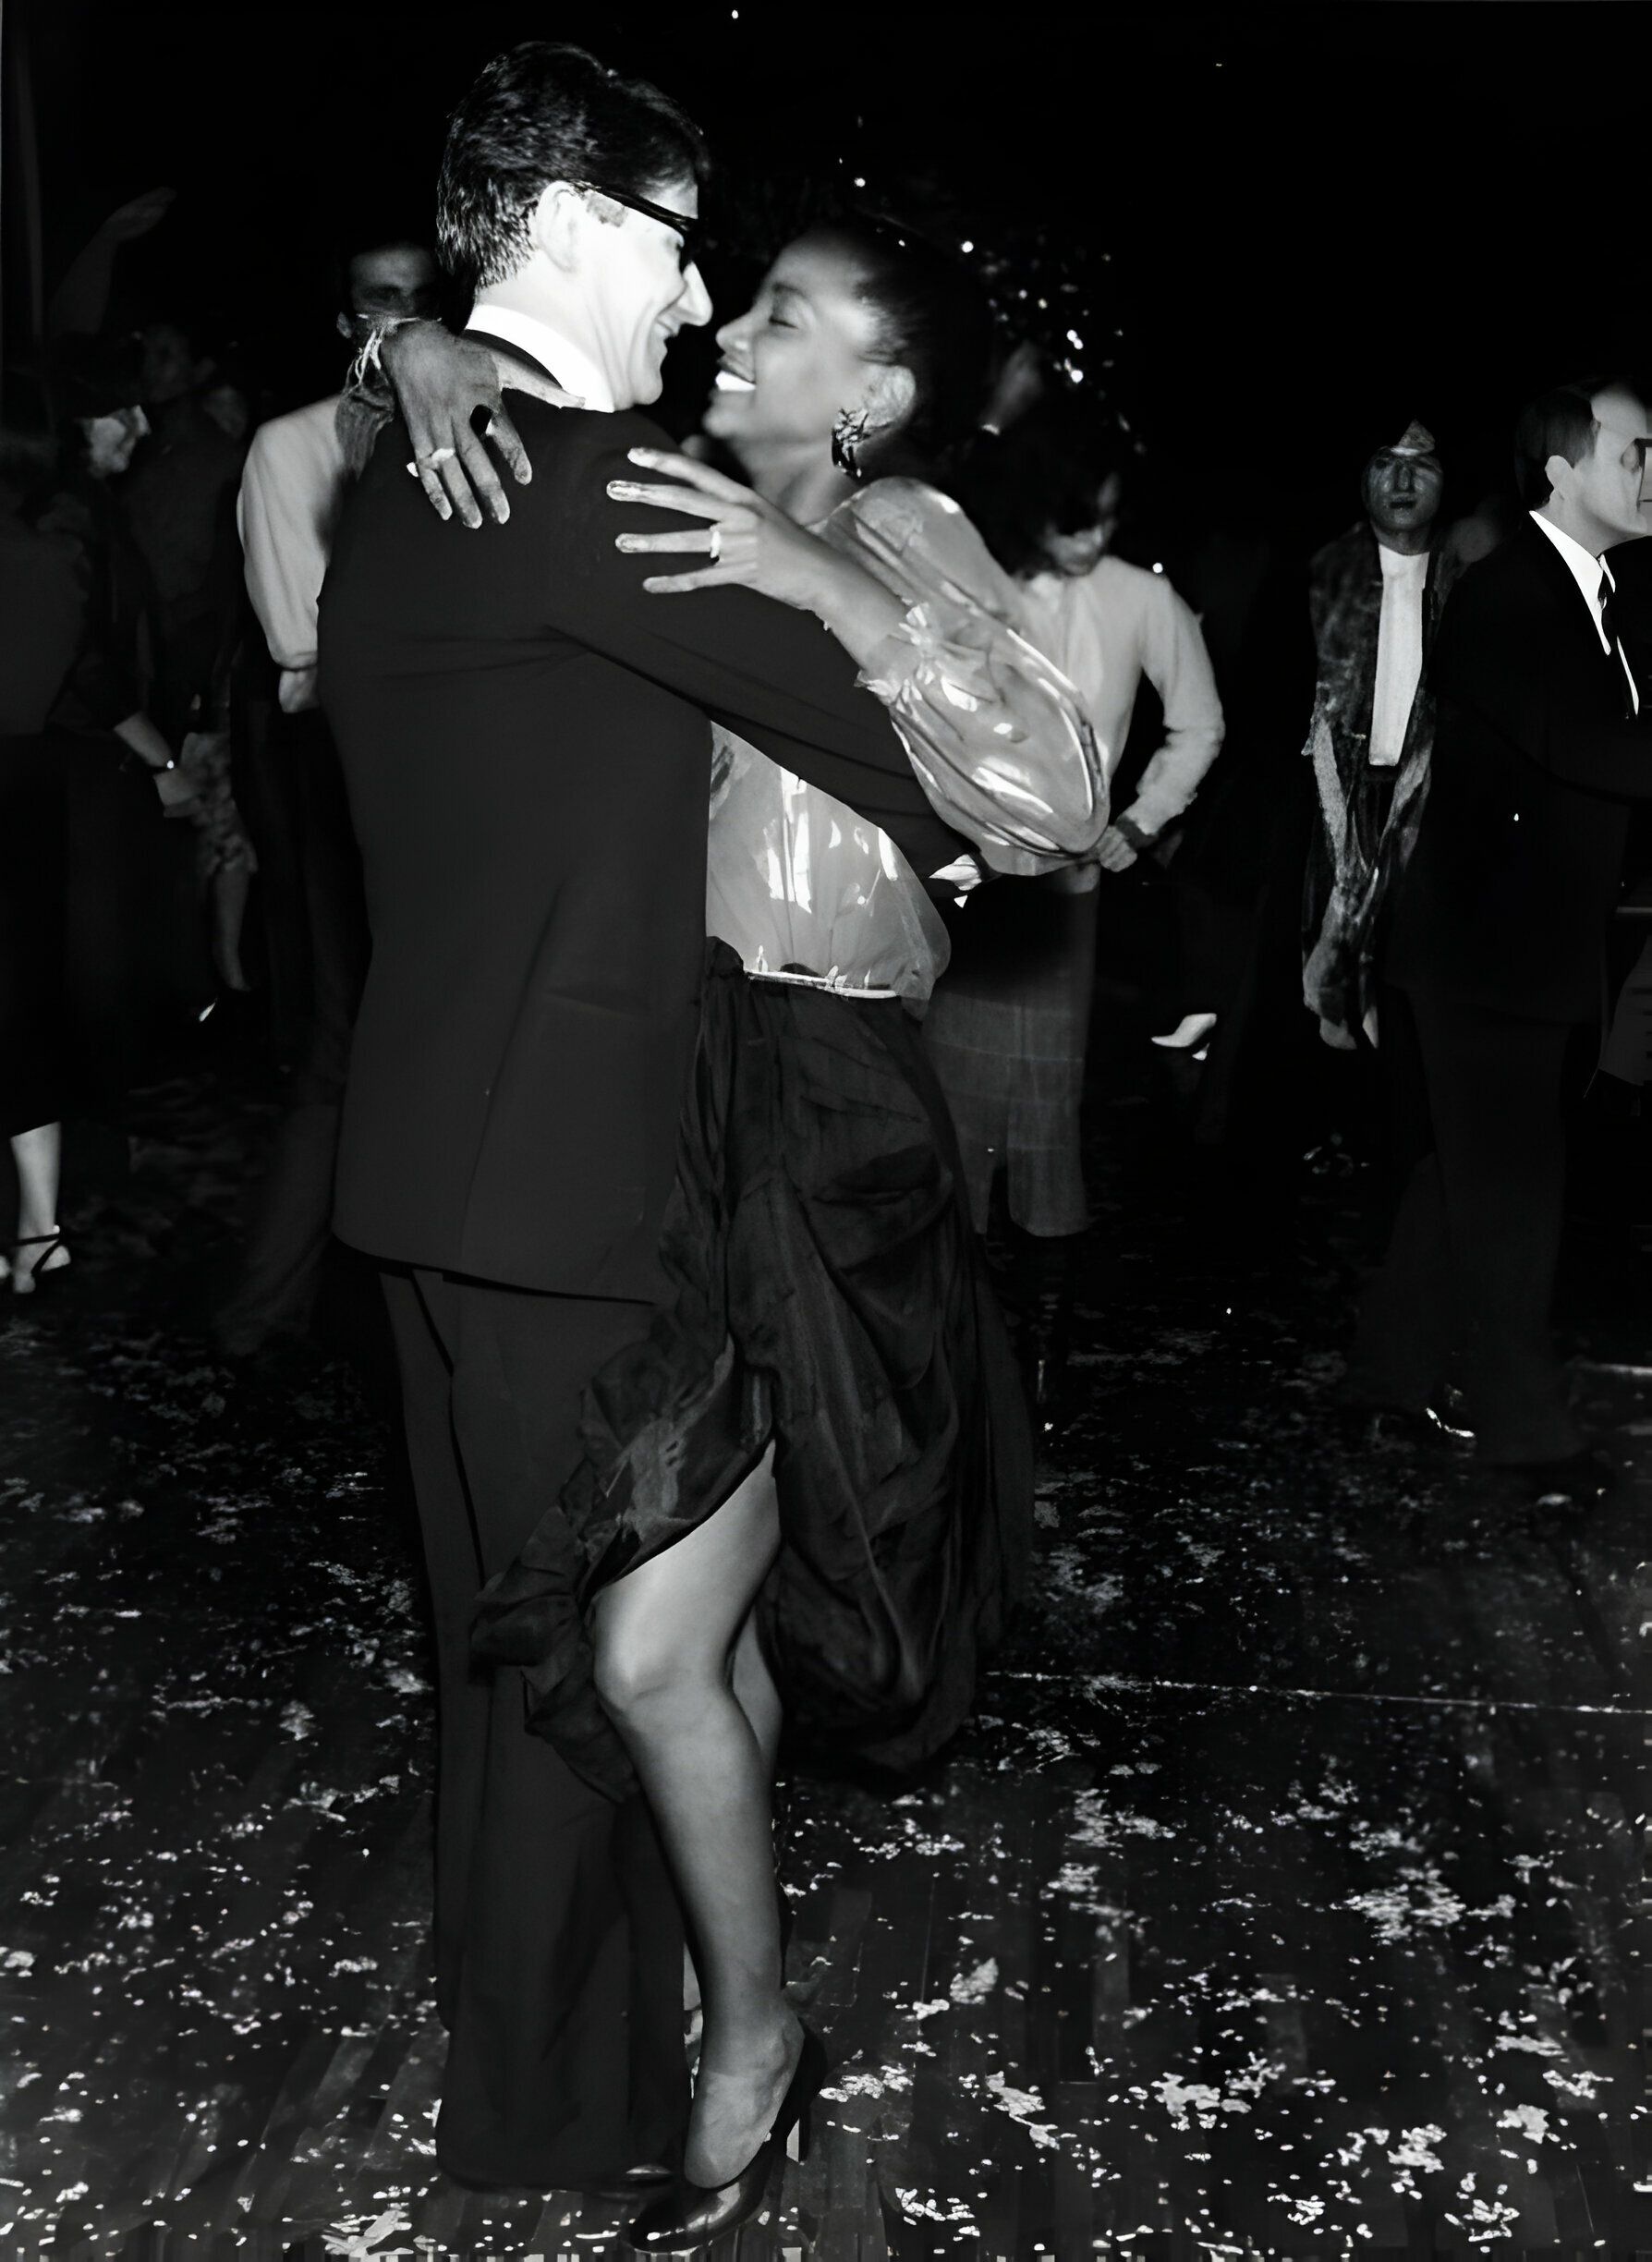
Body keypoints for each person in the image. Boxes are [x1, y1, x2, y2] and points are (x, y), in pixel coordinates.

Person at [318, 42, 1009, 2223]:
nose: (707, 309)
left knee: (537, 1664)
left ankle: (646, 2053)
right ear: (586, 231)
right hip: (579, 1198)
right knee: (575, 1690)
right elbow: (986, 780)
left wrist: (402, 339)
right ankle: (564, 2122)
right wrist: (887, 669)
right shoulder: (598, 487)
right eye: (687, 252)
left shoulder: (416, 469)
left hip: (433, 1174)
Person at [1349, 377, 1652, 1504]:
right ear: (1565, 469)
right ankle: (1534, 1438)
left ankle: (1385, 1383)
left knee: (1460, 1179)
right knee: (1516, 1191)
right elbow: (1594, 747)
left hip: (1517, 951)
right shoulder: (1510, 594)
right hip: (1484, 955)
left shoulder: (1596, 590)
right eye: (1637, 451)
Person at [929, 389, 1223, 1414]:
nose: (1092, 534)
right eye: (1073, 513)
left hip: (1065, 889)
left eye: (1107, 511)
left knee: (1046, 1111)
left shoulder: (1143, 600)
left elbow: (1199, 726)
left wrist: (1137, 824)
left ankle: (1043, 1345)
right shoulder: (972, 582)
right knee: (954, 1114)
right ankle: (953, 1342)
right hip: (968, 885)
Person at [213, 233, 441, 1357]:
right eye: (375, 302)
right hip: (337, 769)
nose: (395, 321)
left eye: (416, 299)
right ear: (347, 319)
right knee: (347, 1039)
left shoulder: (464, 438)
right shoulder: (291, 446)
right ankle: (266, 1312)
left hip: (438, 774)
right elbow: (299, 645)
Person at [1301, 421, 1463, 1054]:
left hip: (1438, 815)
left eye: (1420, 463)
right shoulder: (1318, 576)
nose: (1401, 481)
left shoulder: (1473, 579)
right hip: (1326, 816)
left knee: (1415, 1007)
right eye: (1383, 462)